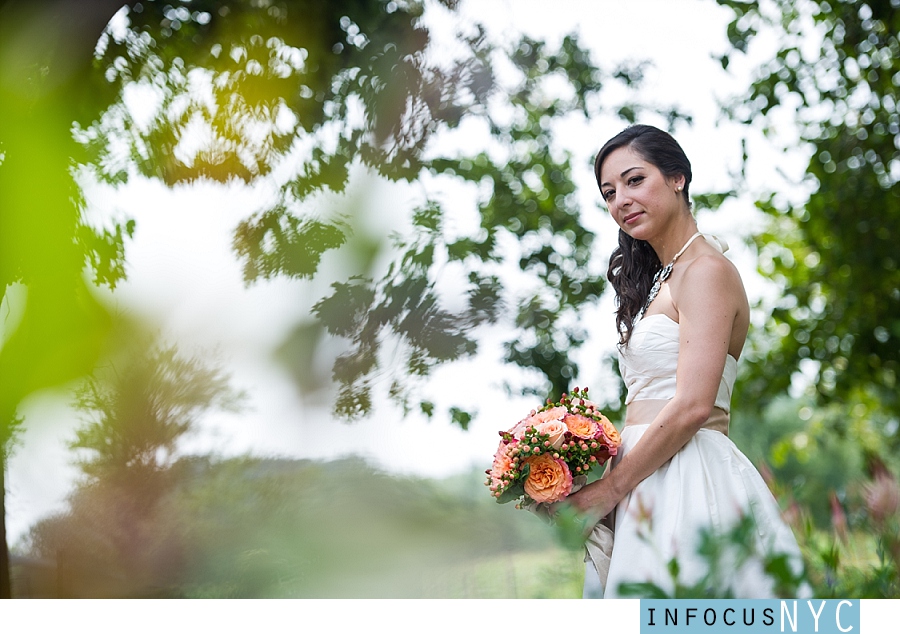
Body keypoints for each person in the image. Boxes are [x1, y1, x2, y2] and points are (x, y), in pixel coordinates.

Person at [567, 124, 806, 598]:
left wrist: (609, 491)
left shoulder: (707, 271)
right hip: (643, 476)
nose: (621, 201)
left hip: (688, 475)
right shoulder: (663, 278)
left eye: (635, 181)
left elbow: (694, 404)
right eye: (609, 193)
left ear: (677, 178)